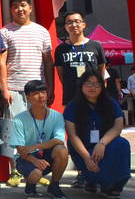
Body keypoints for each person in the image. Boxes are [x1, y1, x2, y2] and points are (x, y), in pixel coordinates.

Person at [0, 0, 54, 187]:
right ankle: (15, 171)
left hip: (38, 90)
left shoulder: (42, 32)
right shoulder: (4, 32)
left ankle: (35, 170)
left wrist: (50, 88)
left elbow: (48, 62)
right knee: (14, 130)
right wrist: (4, 89)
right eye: (15, 6)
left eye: (23, 5)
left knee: (37, 131)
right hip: (14, 89)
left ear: (30, 8)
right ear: (11, 10)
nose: (20, 9)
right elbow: (2, 63)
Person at [54, 10, 107, 190]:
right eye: (69, 22)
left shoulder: (96, 46)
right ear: (65, 26)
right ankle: (82, 172)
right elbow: (62, 75)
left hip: (94, 99)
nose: (73, 25)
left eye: (77, 21)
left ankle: (99, 170)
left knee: (95, 132)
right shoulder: (61, 49)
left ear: (83, 24)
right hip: (71, 98)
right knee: (76, 135)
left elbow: (101, 71)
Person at [64, 70, 131, 198]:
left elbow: (118, 127)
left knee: (122, 143)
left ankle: (114, 185)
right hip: (84, 149)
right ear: (81, 85)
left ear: (102, 86)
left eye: (96, 84)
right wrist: (86, 157)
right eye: (88, 83)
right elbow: (72, 135)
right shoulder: (72, 106)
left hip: (105, 147)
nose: (92, 87)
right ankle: (90, 180)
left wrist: (102, 143)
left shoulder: (111, 103)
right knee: (93, 173)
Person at [9, 80, 68, 198]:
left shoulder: (57, 116)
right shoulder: (19, 119)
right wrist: (35, 161)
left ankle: (54, 186)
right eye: (36, 93)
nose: (41, 96)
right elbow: (20, 148)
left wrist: (36, 146)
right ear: (28, 98)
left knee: (62, 150)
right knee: (35, 175)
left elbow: (59, 140)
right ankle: (30, 183)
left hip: (46, 155)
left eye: (43, 92)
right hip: (26, 157)